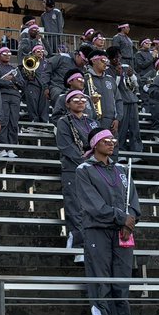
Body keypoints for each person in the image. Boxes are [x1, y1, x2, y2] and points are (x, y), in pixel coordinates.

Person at [74, 128, 140, 315]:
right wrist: (122, 218)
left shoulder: (121, 169)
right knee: (101, 279)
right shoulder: (84, 170)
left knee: (121, 279)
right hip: (98, 230)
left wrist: (130, 222)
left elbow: (132, 199)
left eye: (113, 139)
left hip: (122, 232)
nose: (111, 142)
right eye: (106, 140)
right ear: (94, 144)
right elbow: (93, 205)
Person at [56, 90, 98, 259]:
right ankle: (78, 245)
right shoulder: (64, 122)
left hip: (91, 168)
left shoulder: (92, 122)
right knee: (75, 207)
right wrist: (84, 160)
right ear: (68, 104)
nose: (80, 101)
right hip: (73, 168)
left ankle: (91, 244)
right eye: (75, 99)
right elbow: (65, 146)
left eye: (83, 99)